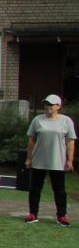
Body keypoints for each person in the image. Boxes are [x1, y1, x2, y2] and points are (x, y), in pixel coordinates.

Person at [24, 94, 75, 226]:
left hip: (57, 161)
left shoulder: (66, 121)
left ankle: (61, 216)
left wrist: (70, 160)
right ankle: (33, 214)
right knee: (35, 189)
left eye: (51, 104)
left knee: (59, 190)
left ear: (58, 106)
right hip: (39, 160)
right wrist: (29, 158)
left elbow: (70, 141)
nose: (48, 107)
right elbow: (31, 140)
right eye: (46, 104)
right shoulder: (37, 120)